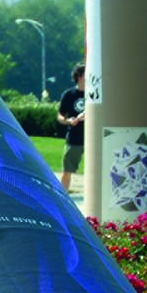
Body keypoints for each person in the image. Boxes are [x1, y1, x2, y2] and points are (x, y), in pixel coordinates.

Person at [55, 64, 87, 196]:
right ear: (79, 76)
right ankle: (62, 198)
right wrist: (67, 121)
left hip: (92, 138)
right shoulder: (69, 94)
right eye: (87, 74)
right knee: (67, 170)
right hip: (74, 138)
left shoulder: (94, 93)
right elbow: (60, 115)